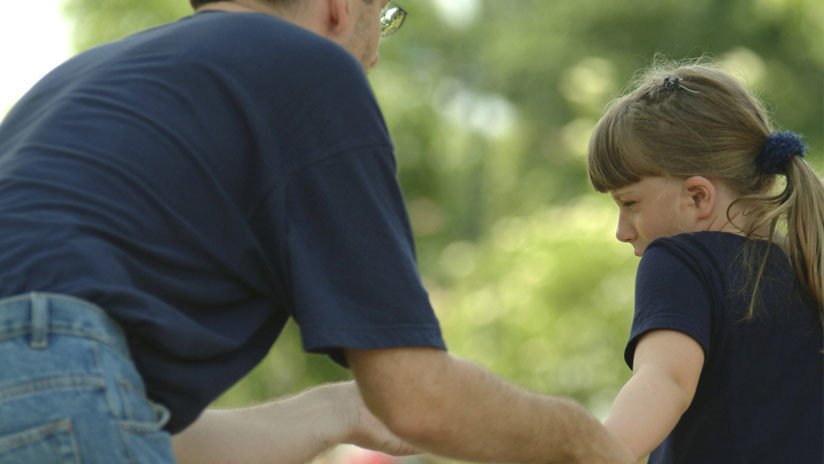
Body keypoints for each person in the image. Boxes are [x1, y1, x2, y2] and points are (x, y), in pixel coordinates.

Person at [0, 0, 634, 463]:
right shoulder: (307, 66)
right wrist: (585, 442)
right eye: (383, 15)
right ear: (339, 6)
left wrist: (339, 411)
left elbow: (131, 429)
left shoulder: (71, 86)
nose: (375, 54)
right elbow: (419, 398)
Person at [587, 61, 824, 463]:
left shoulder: (680, 260)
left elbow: (666, 378)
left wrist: (592, 455)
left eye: (629, 203)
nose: (621, 231)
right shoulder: (808, 264)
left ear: (697, 197)